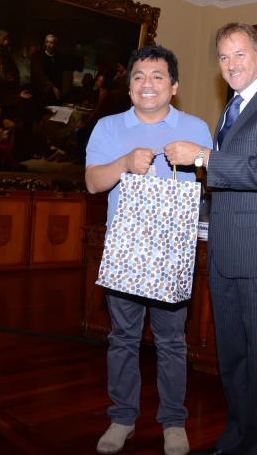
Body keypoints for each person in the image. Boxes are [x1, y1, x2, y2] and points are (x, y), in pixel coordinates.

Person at [165, 22, 257, 455]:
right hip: (226, 256)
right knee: (233, 361)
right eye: (224, 57)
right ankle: (236, 439)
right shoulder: (230, 110)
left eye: (239, 54)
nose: (231, 65)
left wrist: (204, 156)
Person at [85, 45, 212, 455]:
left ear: (173, 86)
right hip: (125, 250)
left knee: (172, 342)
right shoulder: (107, 128)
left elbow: (215, 185)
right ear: (129, 85)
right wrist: (123, 163)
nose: (147, 84)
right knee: (122, 338)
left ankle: (173, 423)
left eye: (158, 76)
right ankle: (121, 418)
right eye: (139, 76)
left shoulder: (195, 127)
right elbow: (92, 183)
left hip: (172, 252)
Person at [30, 33, 84, 108]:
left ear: (55, 44)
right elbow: (39, 75)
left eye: (51, 43)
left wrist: (81, 60)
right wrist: (51, 87)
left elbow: (69, 61)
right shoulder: (38, 56)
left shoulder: (58, 56)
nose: (48, 45)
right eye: (47, 42)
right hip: (42, 93)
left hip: (55, 92)